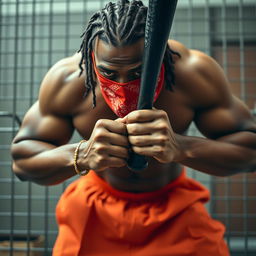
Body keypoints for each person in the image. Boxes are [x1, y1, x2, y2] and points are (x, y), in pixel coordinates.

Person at [11, 0, 256, 255]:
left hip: (174, 211)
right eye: (109, 73)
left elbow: (251, 152)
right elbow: (22, 162)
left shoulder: (193, 73)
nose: (123, 84)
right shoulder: (69, 80)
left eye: (137, 72)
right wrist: (82, 154)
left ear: (160, 55)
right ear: (92, 56)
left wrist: (181, 147)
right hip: (95, 211)